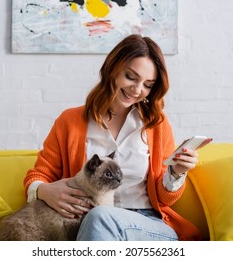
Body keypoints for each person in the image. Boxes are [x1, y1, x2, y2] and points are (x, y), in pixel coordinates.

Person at [23, 34, 202, 241]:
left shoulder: (156, 125)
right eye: (131, 77)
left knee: (99, 216)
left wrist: (177, 173)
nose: (137, 90)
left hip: (146, 224)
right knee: (97, 217)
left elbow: (165, 199)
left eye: (148, 85)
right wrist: (44, 191)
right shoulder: (70, 121)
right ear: (112, 68)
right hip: (86, 225)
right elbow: (37, 176)